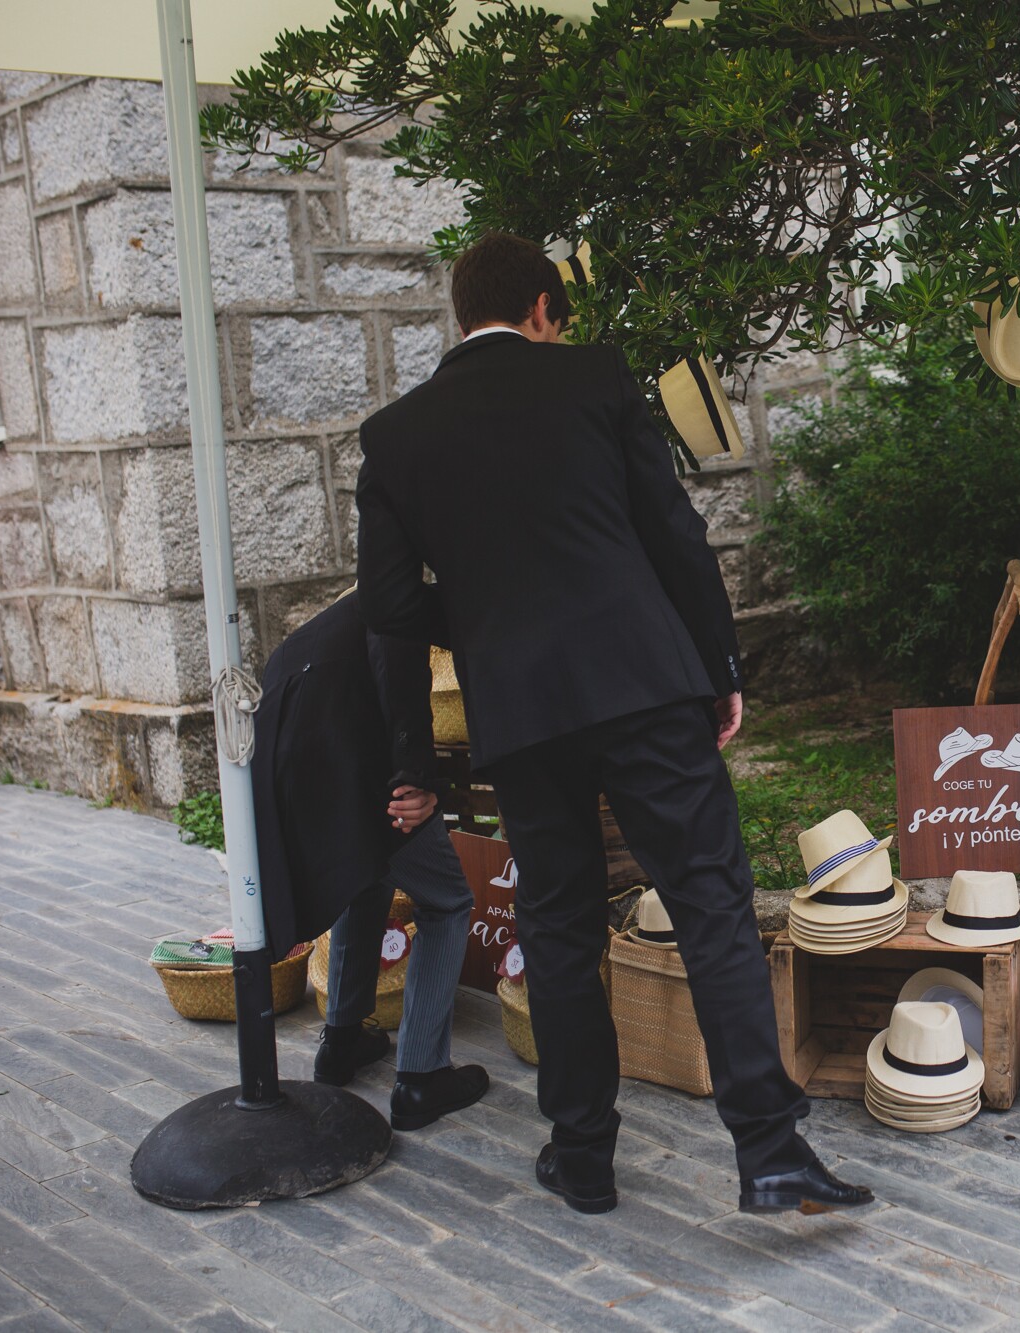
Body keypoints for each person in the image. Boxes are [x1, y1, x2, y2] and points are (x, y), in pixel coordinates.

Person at [354, 231, 870, 1216]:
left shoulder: (397, 434)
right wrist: (718, 666)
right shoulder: (592, 379)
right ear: (545, 311)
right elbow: (672, 531)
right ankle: (766, 1149)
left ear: (463, 318)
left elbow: (386, 605)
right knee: (709, 903)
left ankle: (581, 1153)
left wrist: (480, 620)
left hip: (519, 710)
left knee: (556, 923)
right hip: (641, 682)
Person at [250, 591, 489, 1131]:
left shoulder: (329, 621)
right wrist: (416, 778)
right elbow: (398, 670)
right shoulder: (396, 598)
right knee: (447, 901)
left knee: (365, 872)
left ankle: (341, 1042)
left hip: (286, 756)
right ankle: (421, 1078)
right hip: (345, 752)